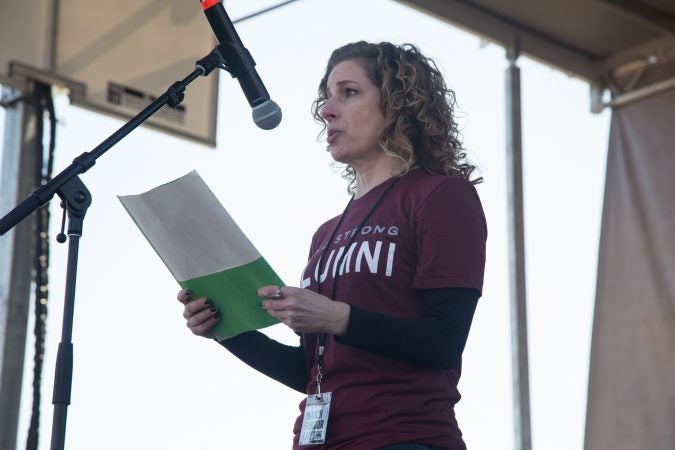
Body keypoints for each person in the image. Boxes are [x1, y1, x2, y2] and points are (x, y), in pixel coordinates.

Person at [178, 41, 487, 450]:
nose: (326, 110)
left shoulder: (441, 196)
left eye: (349, 92)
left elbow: (444, 342)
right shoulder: (326, 234)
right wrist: (225, 329)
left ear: (399, 104)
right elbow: (311, 372)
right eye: (326, 96)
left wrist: (339, 317)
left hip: (404, 437)